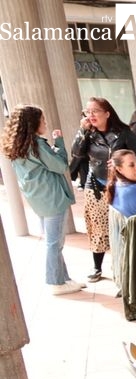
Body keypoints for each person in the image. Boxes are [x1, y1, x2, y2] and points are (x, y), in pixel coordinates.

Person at [4, 105, 81, 295]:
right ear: (33, 123)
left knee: (53, 241)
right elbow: (60, 165)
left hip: (37, 198)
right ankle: (55, 282)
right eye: (42, 120)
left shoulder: (18, 145)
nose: (45, 123)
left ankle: (64, 279)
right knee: (55, 243)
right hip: (52, 197)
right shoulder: (37, 145)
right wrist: (60, 143)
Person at [71, 96, 136, 282]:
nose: (91, 115)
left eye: (95, 111)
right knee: (98, 226)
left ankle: (124, 267)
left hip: (121, 184)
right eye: (88, 111)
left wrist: (125, 161)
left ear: (107, 113)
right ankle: (97, 267)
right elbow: (77, 154)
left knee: (122, 226)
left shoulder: (124, 132)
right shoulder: (88, 133)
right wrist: (82, 131)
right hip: (96, 184)